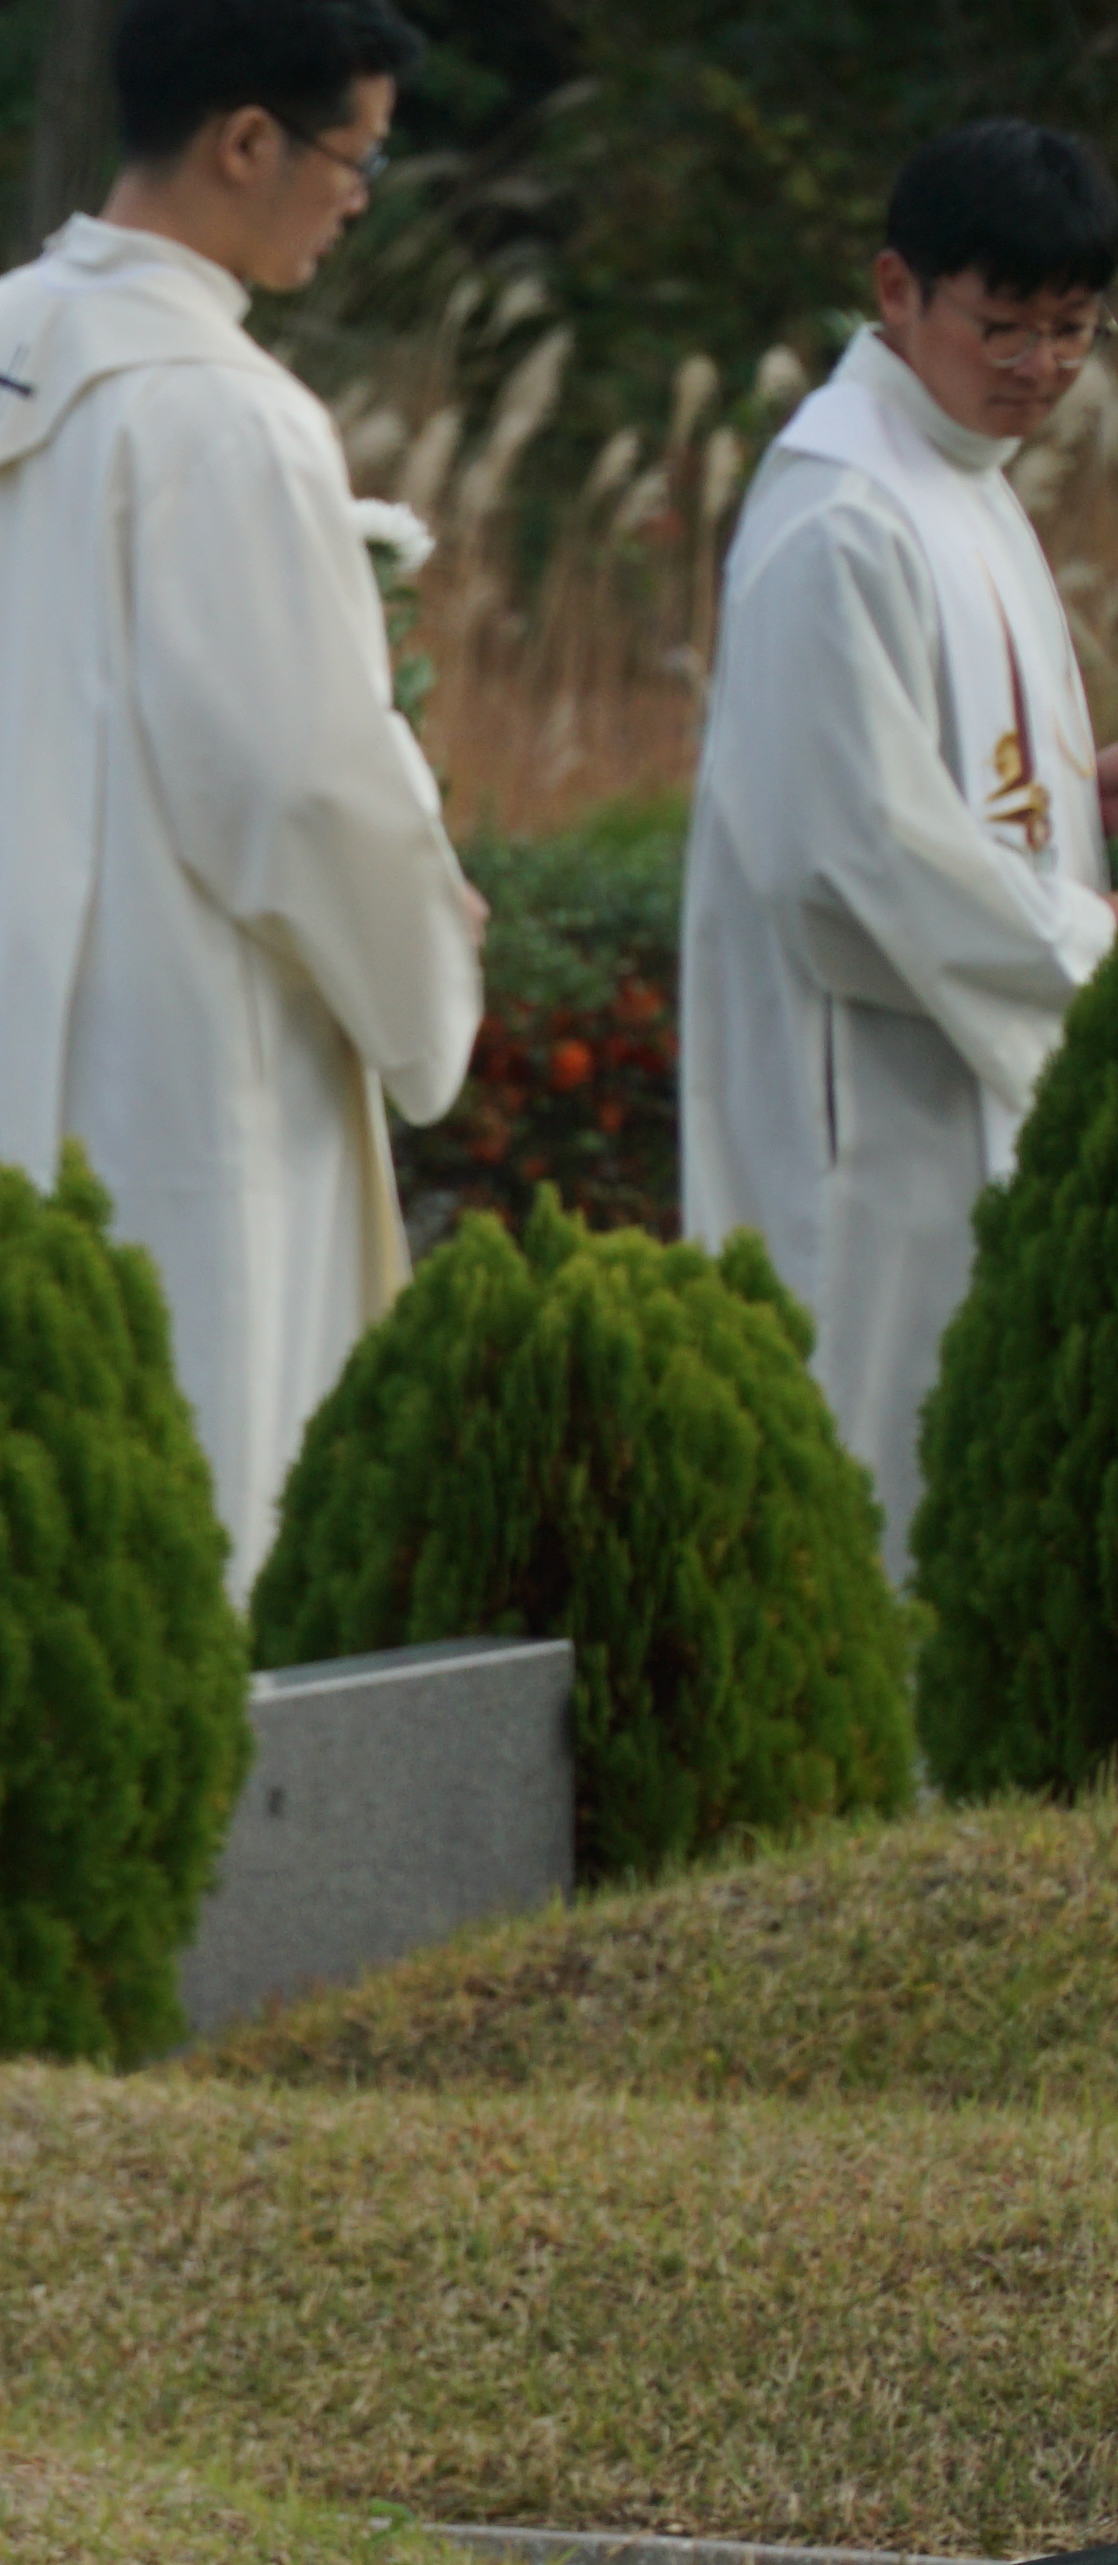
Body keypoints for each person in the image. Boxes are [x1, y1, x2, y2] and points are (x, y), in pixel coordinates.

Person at [0, 0, 483, 1574]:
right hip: (192, 1073)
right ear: (245, 140)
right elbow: (306, 796)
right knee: (203, 1490)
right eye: (357, 154)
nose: (360, 194)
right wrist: (436, 973)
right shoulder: (229, 418)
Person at [684, 118, 1118, 1568]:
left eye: (1074, 332)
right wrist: (1091, 948)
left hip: (963, 1066)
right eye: (1004, 326)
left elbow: (959, 782)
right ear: (896, 290)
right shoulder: (845, 508)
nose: (1041, 370)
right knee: (873, 1477)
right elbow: (849, 859)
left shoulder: (965, 478)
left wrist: (1081, 800)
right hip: (865, 1113)